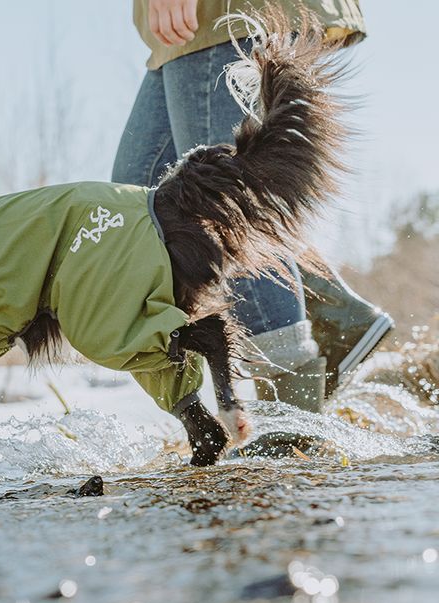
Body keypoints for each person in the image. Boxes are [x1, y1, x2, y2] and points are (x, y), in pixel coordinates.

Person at [113, 0, 393, 411]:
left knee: (217, 209)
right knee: (140, 201)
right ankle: (334, 317)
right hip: (183, 34)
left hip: (215, 15)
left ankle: (289, 412)